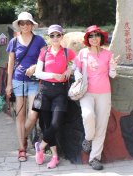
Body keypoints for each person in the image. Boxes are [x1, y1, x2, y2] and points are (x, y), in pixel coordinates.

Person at [76, 25, 119, 171]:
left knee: (101, 126)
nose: (94, 38)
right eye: (91, 36)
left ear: (101, 38)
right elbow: (76, 69)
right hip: (87, 92)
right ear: (87, 39)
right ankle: (88, 138)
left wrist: (113, 66)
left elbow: (112, 75)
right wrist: (78, 76)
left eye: (97, 35)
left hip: (104, 93)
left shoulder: (108, 54)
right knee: (88, 115)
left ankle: (94, 158)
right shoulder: (83, 53)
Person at [5, 12, 47, 162]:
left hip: (34, 81)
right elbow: (10, 64)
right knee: (20, 115)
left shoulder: (40, 41)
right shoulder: (14, 42)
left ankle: (22, 138)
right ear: (19, 25)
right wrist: (8, 84)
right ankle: (22, 148)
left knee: (33, 114)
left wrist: (35, 66)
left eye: (27, 23)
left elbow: (45, 59)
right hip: (18, 81)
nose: (25, 26)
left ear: (32, 24)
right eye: (22, 23)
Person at [33, 24, 76, 169]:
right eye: (52, 35)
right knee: (46, 125)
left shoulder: (67, 52)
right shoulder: (44, 52)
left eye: (58, 35)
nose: (55, 38)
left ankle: (40, 146)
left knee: (55, 123)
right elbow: (38, 73)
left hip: (60, 92)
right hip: (45, 90)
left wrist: (70, 68)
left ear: (62, 36)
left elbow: (79, 62)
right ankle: (54, 156)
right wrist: (53, 75)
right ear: (49, 37)